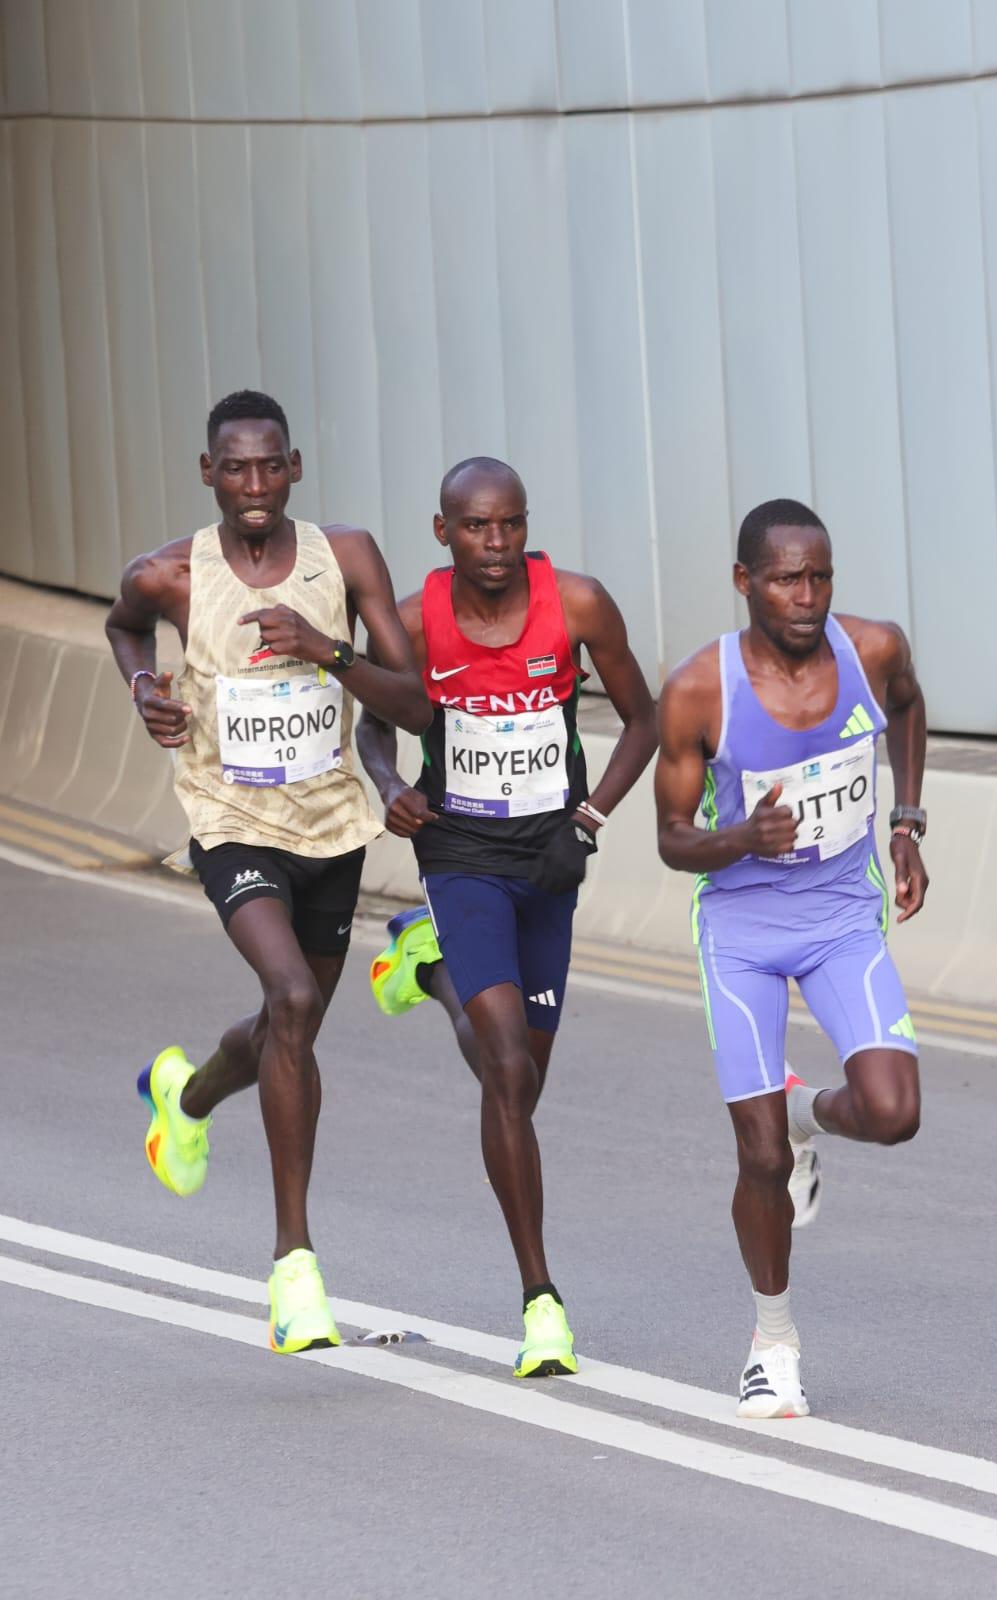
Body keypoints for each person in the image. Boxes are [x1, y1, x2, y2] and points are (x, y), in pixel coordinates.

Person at [105, 389, 430, 1355]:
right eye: (235, 468)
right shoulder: (168, 575)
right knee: (288, 997)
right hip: (231, 822)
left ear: (294, 469)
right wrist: (143, 689)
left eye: (269, 466)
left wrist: (325, 649)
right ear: (209, 473)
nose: (254, 485)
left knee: (293, 1025)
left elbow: (413, 704)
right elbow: (123, 628)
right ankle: (295, 1268)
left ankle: (185, 1098)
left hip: (331, 824)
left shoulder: (347, 557)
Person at [356, 457, 658, 1378]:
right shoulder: (413, 619)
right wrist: (388, 782)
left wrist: (589, 819)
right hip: (459, 851)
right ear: (442, 531)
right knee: (506, 1066)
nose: (496, 543)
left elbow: (643, 720)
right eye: (476, 527)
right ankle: (541, 1301)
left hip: (549, 857)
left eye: (510, 524)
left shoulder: (578, 603)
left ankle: (429, 968)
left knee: (520, 1082)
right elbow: (372, 718)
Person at [654, 498, 928, 1418]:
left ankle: (806, 1111)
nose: (805, 597)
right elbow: (670, 840)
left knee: (893, 1112)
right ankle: (772, 1344)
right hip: (741, 929)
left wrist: (905, 825)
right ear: (744, 582)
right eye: (783, 580)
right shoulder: (700, 690)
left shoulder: (872, 650)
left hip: (841, 914)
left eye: (818, 577)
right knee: (758, 1154)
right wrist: (740, 837)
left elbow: (907, 707)